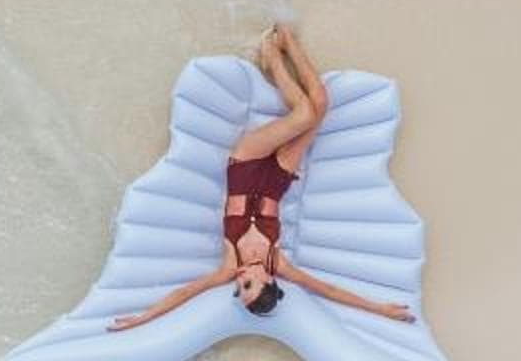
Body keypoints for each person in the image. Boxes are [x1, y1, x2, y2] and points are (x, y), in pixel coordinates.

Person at [107, 24, 416, 330]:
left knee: (305, 113)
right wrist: (381, 308)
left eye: (238, 290)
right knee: (320, 104)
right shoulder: (277, 264)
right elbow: (328, 290)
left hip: (246, 165)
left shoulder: (230, 265)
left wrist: (142, 317)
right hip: (277, 180)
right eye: (248, 286)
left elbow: (186, 292)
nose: (239, 282)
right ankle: (287, 44)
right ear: (268, 280)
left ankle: (273, 52)